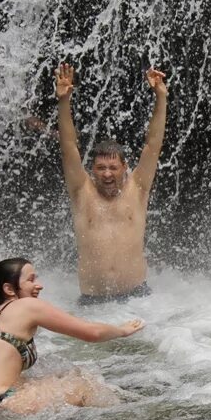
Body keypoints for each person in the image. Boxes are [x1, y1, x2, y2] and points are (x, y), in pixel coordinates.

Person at [0, 258, 145, 412]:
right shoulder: (27, 306)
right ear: (9, 289)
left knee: (62, 376)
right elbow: (92, 333)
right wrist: (122, 330)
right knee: (83, 386)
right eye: (31, 280)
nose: (40, 285)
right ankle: (134, 415)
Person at [55, 63, 168, 303]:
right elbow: (68, 148)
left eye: (113, 168)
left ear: (124, 168)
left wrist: (161, 98)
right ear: (92, 170)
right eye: (101, 168)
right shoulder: (81, 191)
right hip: (93, 301)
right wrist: (64, 102)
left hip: (138, 298)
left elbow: (153, 145)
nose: (107, 174)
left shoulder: (137, 188)